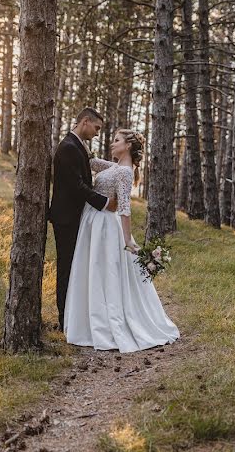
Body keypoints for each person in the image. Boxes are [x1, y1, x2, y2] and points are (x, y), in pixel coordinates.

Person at [63, 128, 180, 352]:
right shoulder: (116, 166)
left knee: (102, 271)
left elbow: (124, 208)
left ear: (127, 146)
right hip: (94, 222)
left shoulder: (125, 172)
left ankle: (105, 323)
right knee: (92, 270)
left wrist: (128, 240)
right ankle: (88, 321)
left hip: (105, 225)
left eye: (116, 141)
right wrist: (76, 140)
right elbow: (93, 162)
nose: (112, 144)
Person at [48, 107, 116, 331]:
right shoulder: (68, 147)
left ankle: (73, 317)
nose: (97, 133)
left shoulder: (77, 145)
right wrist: (105, 203)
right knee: (67, 268)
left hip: (76, 217)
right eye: (96, 128)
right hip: (66, 218)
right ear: (85, 122)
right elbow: (77, 186)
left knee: (76, 268)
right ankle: (64, 320)